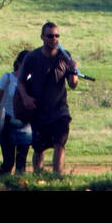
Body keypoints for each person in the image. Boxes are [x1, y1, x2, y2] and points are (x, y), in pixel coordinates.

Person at [20, 21, 78, 175]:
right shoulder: (32, 57)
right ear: (42, 37)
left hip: (60, 110)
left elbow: (72, 85)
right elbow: (21, 81)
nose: (54, 39)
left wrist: (73, 71)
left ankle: (57, 177)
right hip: (39, 111)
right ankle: (38, 176)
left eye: (57, 36)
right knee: (39, 147)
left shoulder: (65, 56)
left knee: (60, 143)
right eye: (50, 36)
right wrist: (25, 97)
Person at [0, 50, 33, 175]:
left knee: (21, 163)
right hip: (8, 124)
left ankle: (19, 186)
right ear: (19, 63)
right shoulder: (8, 78)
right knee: (8, 161)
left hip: (25, 125)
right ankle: (4, 185)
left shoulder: (32, 80)